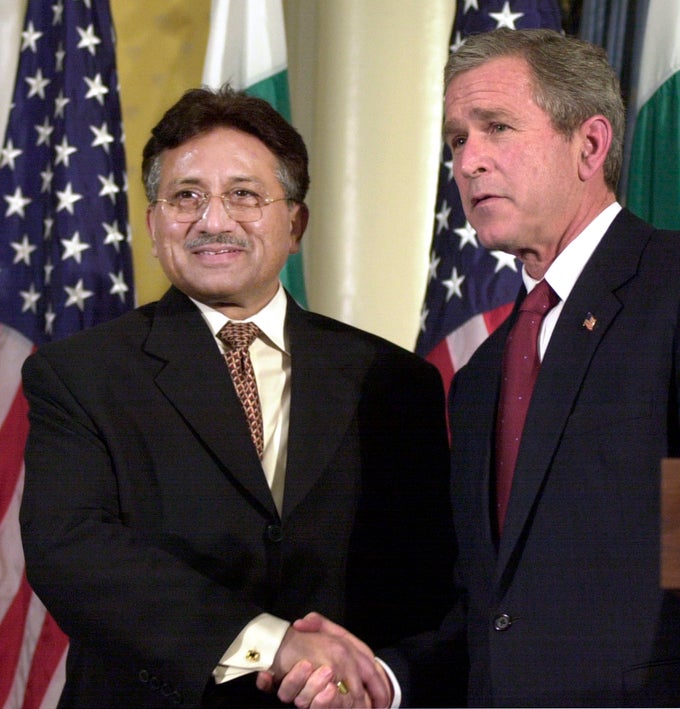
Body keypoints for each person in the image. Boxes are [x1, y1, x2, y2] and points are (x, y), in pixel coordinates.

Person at [273, 28, 680, 707]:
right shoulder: (483, 375)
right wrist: (383, 681)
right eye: (457, 139)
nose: (469, 161)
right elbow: (490, 614)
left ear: (590, 145)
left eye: (497, 128)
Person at [19, 86, 457, 708]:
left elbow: (427, 582)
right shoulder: (80, 374)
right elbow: (72, 550)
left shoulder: (393, 381)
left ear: (296, 223)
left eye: (244, 195)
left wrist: (376, 680)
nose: (213, 221)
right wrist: (269, 644)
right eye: (186, 196)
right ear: (152, 223)